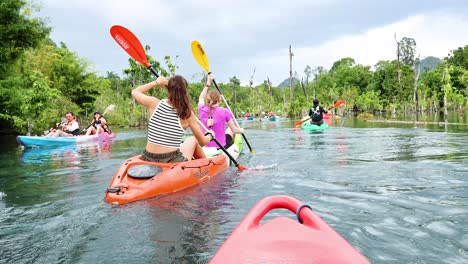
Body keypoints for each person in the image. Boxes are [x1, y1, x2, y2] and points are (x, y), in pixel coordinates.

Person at [132, 75, 213, 162]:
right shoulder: (187, 114)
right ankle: (207, 167)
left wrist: (156, 82)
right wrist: (210, 136)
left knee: (188, 142)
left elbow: (135, 92)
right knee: (192, 139)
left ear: (168, 90)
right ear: (185, 91)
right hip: (170, 160)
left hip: (148, 157)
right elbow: (203, 142)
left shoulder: (154, 103)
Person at [198, 73, 244, 149]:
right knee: (230, 130)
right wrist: (241, 130)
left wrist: (208, 84)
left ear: (208, 100)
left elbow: (201, 97)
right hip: (221, 147)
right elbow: (234, 130)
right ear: (219, 100)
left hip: (204, 147)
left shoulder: (201, 108)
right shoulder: (225, 111)